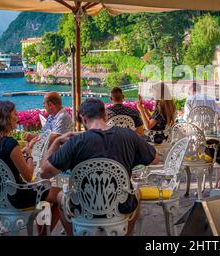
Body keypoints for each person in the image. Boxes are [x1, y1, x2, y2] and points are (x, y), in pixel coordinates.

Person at [40, 98, 158, 236]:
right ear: (106, 115)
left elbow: (44, 172)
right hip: (120, 206)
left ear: (83, 119)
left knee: (61, 196)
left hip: (83, 208)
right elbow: (155, 159)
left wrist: (57, 142)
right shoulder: (129, 136)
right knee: (136, 194)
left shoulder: (75, 142)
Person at [0, 101, 61, 235]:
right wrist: (28, 154)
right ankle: (44, 234)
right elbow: (28, 176)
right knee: (58, 194)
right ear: (5, 118)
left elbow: (3, 160)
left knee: (46, 195)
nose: (18, 117)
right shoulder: (10, 143)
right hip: (17, 196)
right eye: (15, 114)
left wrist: (20, 153)